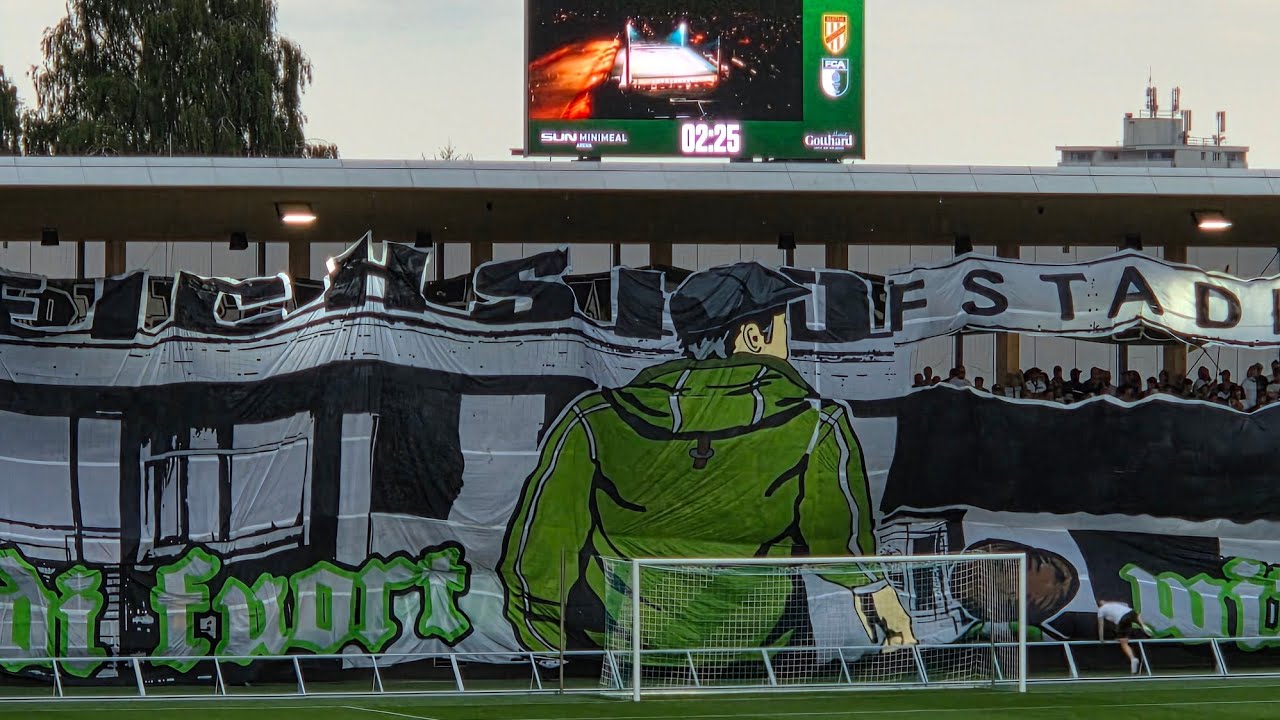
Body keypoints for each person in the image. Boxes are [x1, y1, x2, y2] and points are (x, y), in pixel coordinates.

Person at [500, 263, 916, 656]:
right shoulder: (817, 425)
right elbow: (839, 540)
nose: (787, 346)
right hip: (757, 646)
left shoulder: (592, 419)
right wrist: (876, 594)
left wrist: (545, 640)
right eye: (783, 330)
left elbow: (542, 542)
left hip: (625, 645)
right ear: (753, 337)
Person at [1097, 599, 1147, 674]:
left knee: (1123, 643)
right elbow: (1131, 609)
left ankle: (1132, 658)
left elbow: (1101, 625)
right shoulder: (1112, 605)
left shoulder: (1101, 610)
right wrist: (1142, 625)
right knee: (1135, 617)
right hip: (1131, 613)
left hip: (1122, 619)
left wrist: (1101, 638)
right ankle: (1143, 626)